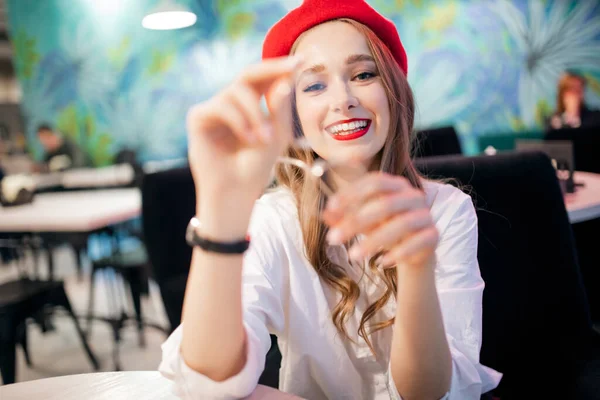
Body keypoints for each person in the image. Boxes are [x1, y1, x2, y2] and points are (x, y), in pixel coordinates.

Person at [159, 1, 502, 399]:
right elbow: (207, 380)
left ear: (394, 92)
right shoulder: (274, 218)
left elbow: (428, 394)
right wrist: (219, 214)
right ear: (295, 114)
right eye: (314, 85)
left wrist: (416, 266)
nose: (343, 99)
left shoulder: (446, 210)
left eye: (363, 74)